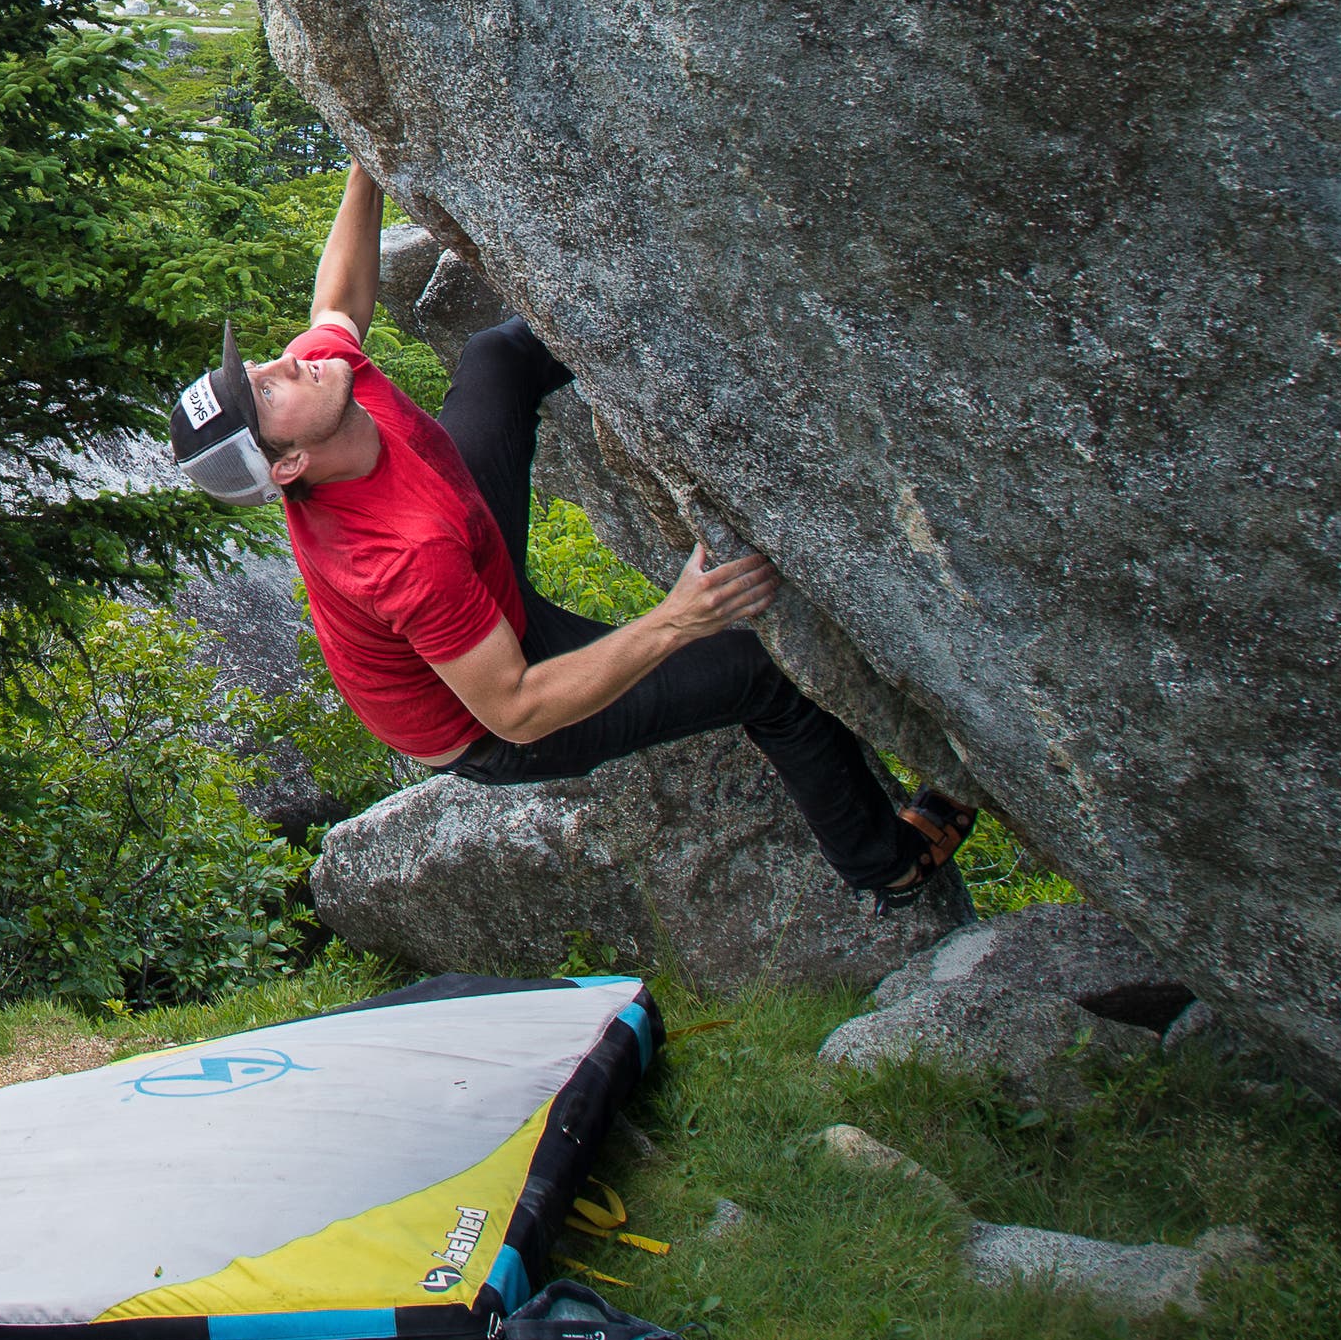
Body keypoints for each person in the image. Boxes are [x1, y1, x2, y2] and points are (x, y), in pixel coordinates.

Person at [166, 165, 974, 911]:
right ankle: (886, 863)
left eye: (261, 367)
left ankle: (632, 309)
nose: (283, 364)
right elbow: (517, 708)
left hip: (472, 548)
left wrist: (364, 170)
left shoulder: (324, 387)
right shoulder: (400, 558)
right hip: (485, 709)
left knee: (498, 357)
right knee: (767, 677)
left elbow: (336, 306)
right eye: (263, 393)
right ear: (290, 465)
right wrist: (675, 619)